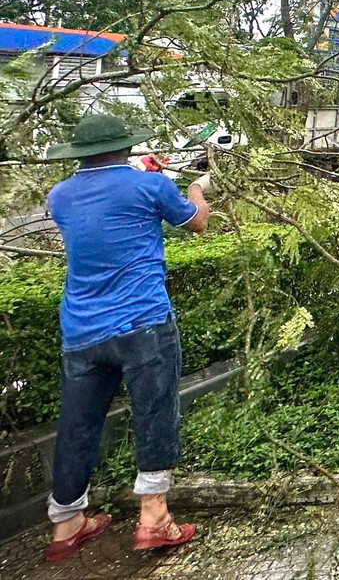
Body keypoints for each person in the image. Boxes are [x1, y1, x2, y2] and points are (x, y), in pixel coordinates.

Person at [42, 114, 211, 562]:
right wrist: (196, 187)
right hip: (144, 324)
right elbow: (195, 222)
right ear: (126, 147)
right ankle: (154, 517)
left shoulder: (59, 196)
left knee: (78, 424)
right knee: (155, 412)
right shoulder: (148, 187)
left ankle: (67, 523)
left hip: (80, 332)